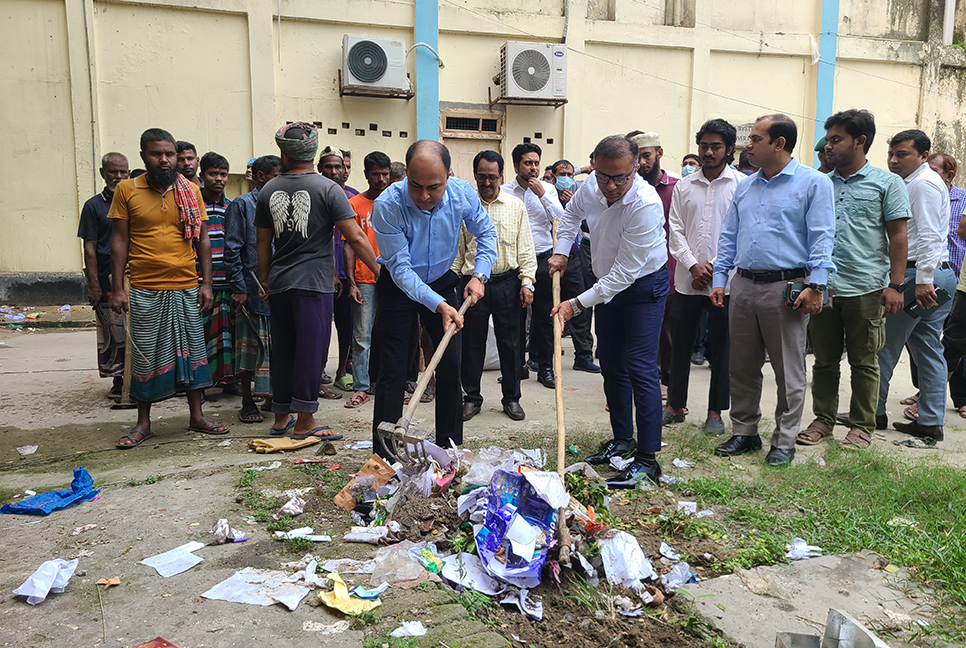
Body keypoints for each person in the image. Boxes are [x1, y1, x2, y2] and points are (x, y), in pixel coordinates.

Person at [710, 114, 835, 467]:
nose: (747, 145)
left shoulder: (813, 184)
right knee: (742, 365)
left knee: (788, 369)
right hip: (744, 284)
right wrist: (721, 279)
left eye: (755, 139)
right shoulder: (746, 186)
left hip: (788, 287)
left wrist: (816, 286)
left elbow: (823, 237)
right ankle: (745, 432)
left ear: (779, 144)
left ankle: (784, 440)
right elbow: (729, 236)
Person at [549, 135, 668, 488]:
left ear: (636, 169)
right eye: (604, 176)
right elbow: (570, 217)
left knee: (641, 368)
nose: (611, 186)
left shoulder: (644, 204)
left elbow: (624, 274)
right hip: (607, 284)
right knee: (612, 364)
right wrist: (562, 251)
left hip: (642, 287)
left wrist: (575, 304)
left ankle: (647, 459)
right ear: (594, 167)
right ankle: (622, 440)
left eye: (621, 177)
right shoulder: (591, 188)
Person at [370, 140, 496, 458]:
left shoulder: (463, 194)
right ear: (406, 175)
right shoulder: (387, 204)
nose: (424, 196)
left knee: (450, 363)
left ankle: (449, 447)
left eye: (433, 187)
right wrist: (438, 305)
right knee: (393, 367)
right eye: (416, 185)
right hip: (399, 286)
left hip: (442, 279)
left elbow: (487, 234)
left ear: (449, 176)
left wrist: (479, 276)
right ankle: (385, 454)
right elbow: (400, 270)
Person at [255, 122, 377, 439]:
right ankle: (306, 421)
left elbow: (262, 242)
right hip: (313, 283)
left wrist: (267, 281)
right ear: (312, 149)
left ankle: (281, 418)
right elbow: (356, 237)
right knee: (311, 351)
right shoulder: (328, 189)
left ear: (284, 151)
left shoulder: (268, 189)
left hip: (280, 282)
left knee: (283, 350)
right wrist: (381, 273)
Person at [796, 110, 910, 451]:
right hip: (824, 286)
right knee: (825, 361)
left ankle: (862, 426)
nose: (829, 146)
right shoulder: (820, 183)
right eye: (828, 139)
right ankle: (823, 420)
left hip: (866, 287)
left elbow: (899, 236)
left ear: (860, 141)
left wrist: (896, 284)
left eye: (836, 139)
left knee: (864, 362)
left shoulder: (887, 183)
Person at [108, 128, 229, 448]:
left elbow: (203, 239)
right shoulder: (127, 190)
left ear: (177, 157)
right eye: (156, 154)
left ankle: (197, 416)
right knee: (146, 356)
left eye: (169, 154)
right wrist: (117, 288)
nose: (164, 160)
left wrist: (207, 282)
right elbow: (119, 240)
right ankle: (143, 423)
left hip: (187, 286)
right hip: (145, 286)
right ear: (144, 156)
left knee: (192, 352)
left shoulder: (190, 190)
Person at [875, 130, 957, 442]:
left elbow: (930, 235)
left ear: (923, 156)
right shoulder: (917, 182)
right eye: (891, 154)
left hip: (919, 278)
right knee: (928, 347)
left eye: (903, 154)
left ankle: (872, 412)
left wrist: (921, 281)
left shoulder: (922, 184)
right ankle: (931, 421)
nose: (894, 160)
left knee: (884, 345)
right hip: (938, 276)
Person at [666, 119, 742, 435]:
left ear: (729, 150)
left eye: (716, 146)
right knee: (679, 345)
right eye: (704, 146)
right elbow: (675, 229)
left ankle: (715, 412)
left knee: (721, 347)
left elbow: (739, 233)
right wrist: (693, 266)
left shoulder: (741, 185)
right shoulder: (684, 186)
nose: (709, 152)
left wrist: (713, 267)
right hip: (687, 280)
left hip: (724, 282)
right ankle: (674, 405)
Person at [457, 150, 536, 422]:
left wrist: (527, 282)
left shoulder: (516, 206)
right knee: (471, 344)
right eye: (481, 177)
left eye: (492, 177)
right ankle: (472, 397)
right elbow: (459, 251)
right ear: (475, 177)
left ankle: (512, 398)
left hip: (507, 284)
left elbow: (525, 248)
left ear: (502, 176)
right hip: (472, 286)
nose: (487, 183)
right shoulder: (466, 208)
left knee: (511, 344)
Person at [225, 155, 282, 424]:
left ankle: (272, 397)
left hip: (278, 290)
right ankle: (247, 401)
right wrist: (239, 288)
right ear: (260, 177)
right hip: (251, 287)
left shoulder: (282, 203)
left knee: (277, 349)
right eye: (275, 175)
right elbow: (232, 248)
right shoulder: (242, 205)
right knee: (249, 349)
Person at [504, 143, 565, 388]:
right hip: (515, 262)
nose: (533, 168)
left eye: (536, 163)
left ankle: (545, 368)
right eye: (528, 163)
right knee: (514, 318)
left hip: (543, 258)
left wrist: (542, 195)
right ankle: (518, 367)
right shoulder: (505, 191)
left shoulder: (548, 189)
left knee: (544, 316)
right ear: (516, 165)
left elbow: (561, 219)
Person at [78, 152, 129, 400]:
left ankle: (138, 380)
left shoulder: (133, 200)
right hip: (107, 279)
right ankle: (118, 380)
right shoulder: (93, 206)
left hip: (136, 277)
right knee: (113, 332)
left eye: (123, 172)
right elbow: (89, 247)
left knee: (137, 332)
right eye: (113, 172)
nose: (118, 177)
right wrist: (94, 284)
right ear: (102, 173)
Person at [631, 132, 678, 397]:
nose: (643, 163)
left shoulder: (676, 187)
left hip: (670, 270)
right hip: (634, 271)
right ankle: (639, 385)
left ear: (659, 153)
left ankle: (670, 388)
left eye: (647, 156)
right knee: (640, 334)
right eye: (638, 157)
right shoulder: (628, 188)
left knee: (668, 334)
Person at [344, 151, 392, 409]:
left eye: (385, 174)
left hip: (393, 278)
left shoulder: (395, 203)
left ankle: (388, 384)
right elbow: (349, 245)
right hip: (364, 279)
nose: (382, 179)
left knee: (389, 334)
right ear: (366, 175)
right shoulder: (355, 205)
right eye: (376, 174)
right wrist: (351, 281)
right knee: (362, 335)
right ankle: (361, 387)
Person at [551, 159, 599, 372]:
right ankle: (541, 359)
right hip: (550, 257)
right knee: (548, 307)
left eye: (570, 175)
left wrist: (573, 204)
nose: (566, 179)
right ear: (552, 177)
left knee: (578, 305)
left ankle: (583, 355)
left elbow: (585, 221)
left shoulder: (579, 193)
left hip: (575, 255)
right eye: (561, 175)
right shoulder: (546, 192)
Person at [318, 146, 355, 394]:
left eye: (338, 167)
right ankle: (318, 370)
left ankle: (342, 370)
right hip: (320, 274)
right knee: (320, 326)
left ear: (344, 170)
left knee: (347, 325)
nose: (334, 171)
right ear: (320, 169)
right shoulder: (313, 194)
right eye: (328, 167)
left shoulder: (353, 197)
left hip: (347, 274)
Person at [198, 151, 235, 389]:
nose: (218, 179)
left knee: (227, 337)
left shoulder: (232, 207)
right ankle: (201, 383)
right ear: (202, 175)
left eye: (223, 174)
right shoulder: (194, 207)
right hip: (201, 282)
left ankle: (228, 380)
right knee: (202, 336)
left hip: (228, 281)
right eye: (213, 173)